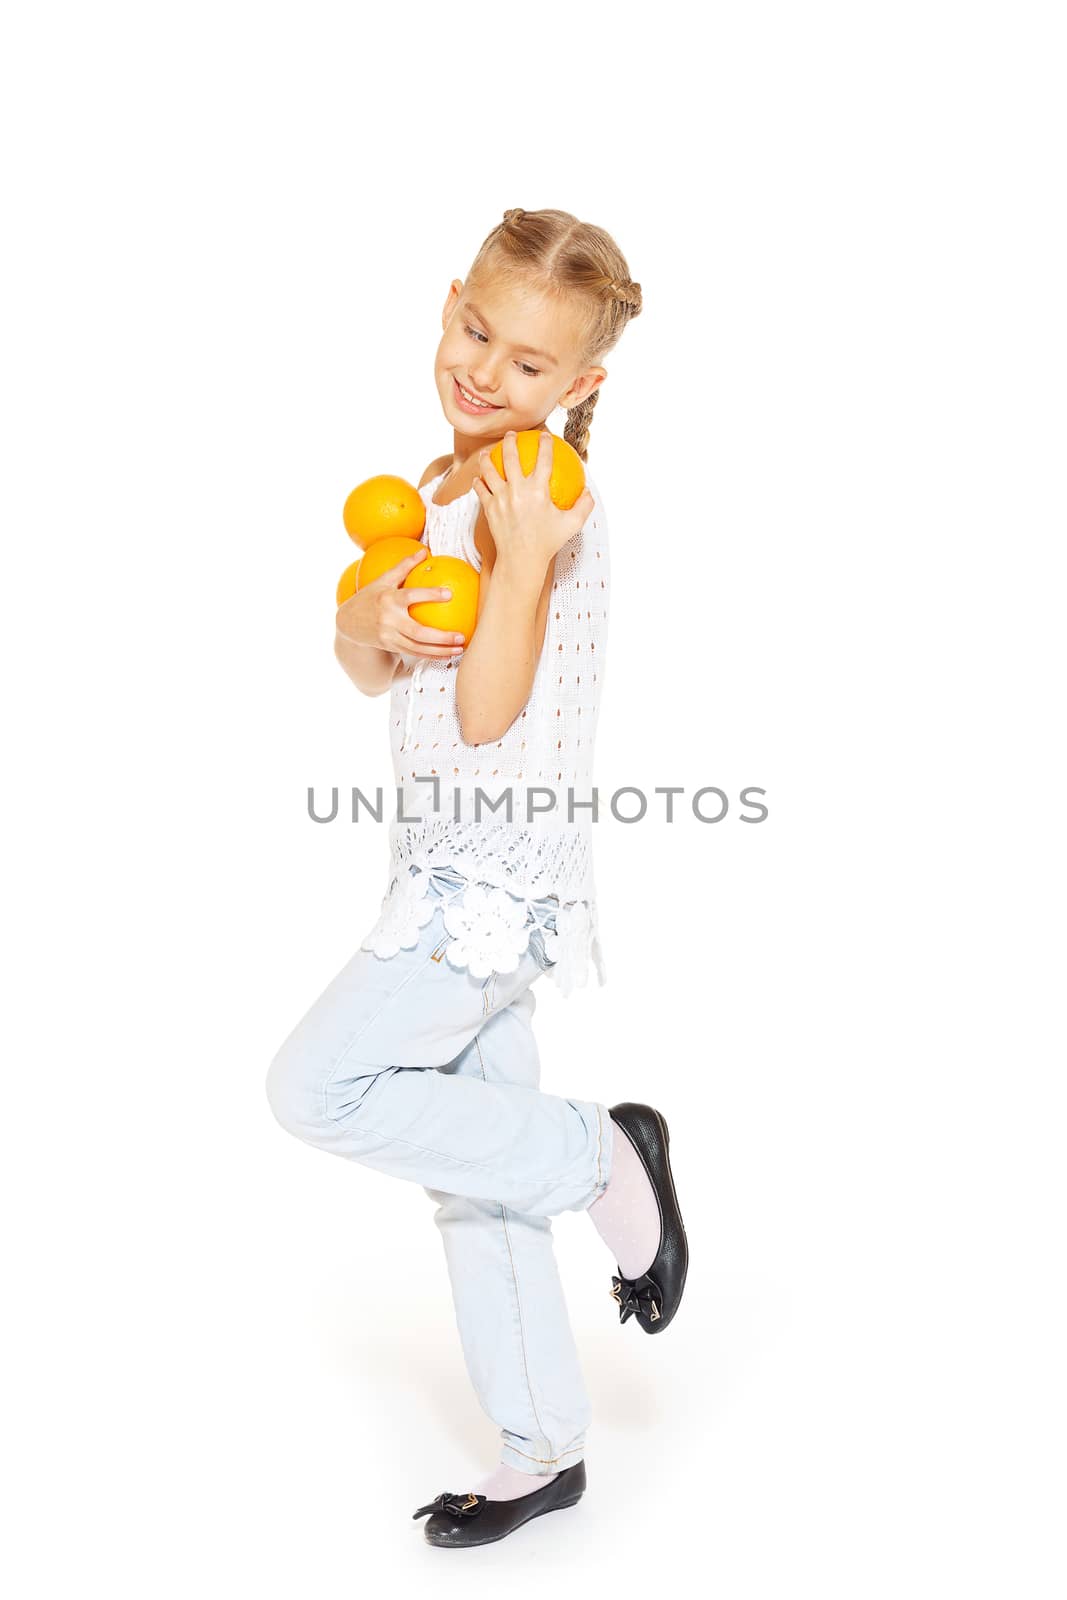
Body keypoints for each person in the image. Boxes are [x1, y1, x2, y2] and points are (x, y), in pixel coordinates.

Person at [266, 207, 688, 1549]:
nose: (485, 372)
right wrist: (362, 618)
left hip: (488, 884)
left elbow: (496, 711)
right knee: (473, 1169)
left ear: (582, 388)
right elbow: (373, 670)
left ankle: (603, 1154)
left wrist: (521, 570)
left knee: (318, 1087)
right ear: (449, 301)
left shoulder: (541, 498)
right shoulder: (450, 482)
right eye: (474, 331)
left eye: (527, 366)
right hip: (441, 862)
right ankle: (540, 1446)